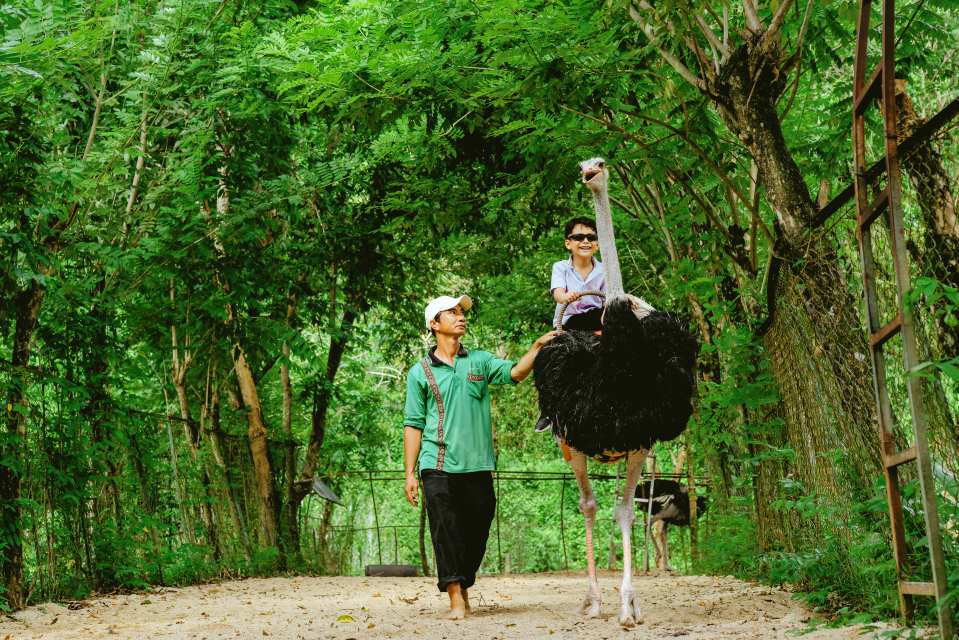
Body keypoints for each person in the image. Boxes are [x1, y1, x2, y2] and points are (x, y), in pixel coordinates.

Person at [403, 294, 557, 620]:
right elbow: (413, 424)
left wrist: (537, 347)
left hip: (478, 464)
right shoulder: (420, 373)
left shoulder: (480, 362)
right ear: (434, 324)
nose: (461, 317)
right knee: (444, 530)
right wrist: (409, 473)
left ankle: (464, 580)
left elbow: (515, 373)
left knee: (479, 524)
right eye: (452, 312)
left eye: (462, 312)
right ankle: (456, 596)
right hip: (437, 463)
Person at [534, 217, 606, 433]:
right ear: (568, 243)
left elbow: (609, 299)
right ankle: (548, 410)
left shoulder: (604, 269)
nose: (585, 241)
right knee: (546, 355)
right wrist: (566, 296)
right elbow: (557, 294)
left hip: (597, 318)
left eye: (591, 237)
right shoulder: (561, 267)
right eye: (579, 237)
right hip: (569, 321)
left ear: (597, 243)